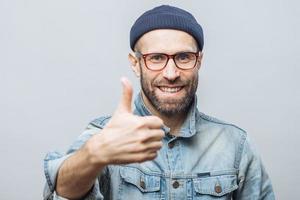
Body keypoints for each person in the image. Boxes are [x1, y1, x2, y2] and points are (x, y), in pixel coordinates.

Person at [43, 5, 275, 200]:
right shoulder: (105, 136)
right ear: (135, 64)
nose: (171, 73)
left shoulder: (236, 144)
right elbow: (62, 190)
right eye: (157, 58)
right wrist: (95, 155)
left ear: (199, 62)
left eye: (184, 57)